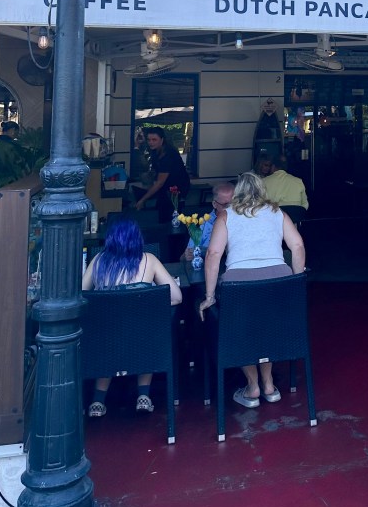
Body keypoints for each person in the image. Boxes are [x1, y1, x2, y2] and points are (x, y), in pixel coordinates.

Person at [199, 171, 305, 408]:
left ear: (238, 192)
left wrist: (209, 296)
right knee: (267, 327)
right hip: (277, 283)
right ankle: (269, 385)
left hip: (239, 285)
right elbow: (297, 246)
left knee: (239, 330)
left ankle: (253, 386)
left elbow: (213, 254)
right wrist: (295, 282)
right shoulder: (278, 213)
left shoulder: (226, 215)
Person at [81, 217, 182, 417]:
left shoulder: (98, 261)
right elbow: (177, 297)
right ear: (137, 238)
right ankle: (143, 396)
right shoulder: (149, 260)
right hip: (142, 340)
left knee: (108, 337)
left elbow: (81, 295)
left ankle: (98, 401)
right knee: (149, 329)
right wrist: (148, 305)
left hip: (106, 340)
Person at [134, 127, 191, 224]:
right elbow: (147, 166)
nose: (151, 142)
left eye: (154, 140)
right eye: (149, 140)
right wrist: (138, 147)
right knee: (162, 212)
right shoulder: (156, 151)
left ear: (162, 140)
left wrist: (143, 200)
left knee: (170, 216)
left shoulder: (168, 154)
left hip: (176, 188)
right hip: (167, 188)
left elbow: (160, 182)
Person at [182, 182, 234, 262]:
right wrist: (187, 256)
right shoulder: (204, 223)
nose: (230, 209)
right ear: (214, 204)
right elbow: (184, 257)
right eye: (225, 205)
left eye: (234, 204)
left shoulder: (242, 220)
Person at [0, 120, 31, 185]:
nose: (17, 135)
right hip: (7, 183)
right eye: (17, 132)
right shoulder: (13, 147)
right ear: (13, 130)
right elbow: (20, 169)